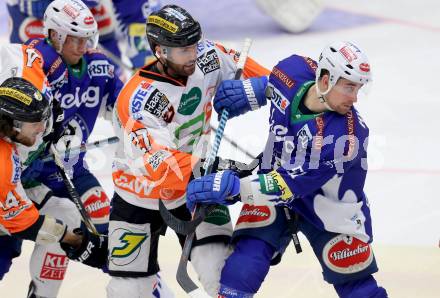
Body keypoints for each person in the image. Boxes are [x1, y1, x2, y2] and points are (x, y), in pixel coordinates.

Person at [186, 41, 388, 297]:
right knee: (241, 270)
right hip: (276, 189)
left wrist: (234, 188)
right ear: (325, 79)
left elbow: (288, 186)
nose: (355, 97)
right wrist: (255, 91)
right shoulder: (292, 69)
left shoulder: (347, 138)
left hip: (330, 211)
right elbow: (275, 84)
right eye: (349, 87)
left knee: (359, 289)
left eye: (358, 88)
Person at [108, 4, 269, 297]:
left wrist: (262, 89)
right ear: (159, 51)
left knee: (221, 276)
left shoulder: (207, 56)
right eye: (184, 49)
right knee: (128, 290)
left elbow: (271, 80)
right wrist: (220, 169)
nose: (193, 54)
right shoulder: (138, 100)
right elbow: (163, 168)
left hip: (197, 187)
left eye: (194, 44)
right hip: (139, 192)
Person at [0, 48, 107, 276]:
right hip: (8, 199)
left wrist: (53, 116)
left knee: (65, 211)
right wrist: (75, 241)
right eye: (35, 124)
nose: (41, 128)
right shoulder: (3, 165)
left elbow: (28, 53)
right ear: (12, 126)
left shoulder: (25, 75)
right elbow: (24, 222)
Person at [6, 0, 161, 70]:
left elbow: (137, 13)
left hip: (90, 10)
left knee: (108, 74)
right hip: (39, 16)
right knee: (28, 71)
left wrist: (144, 57)